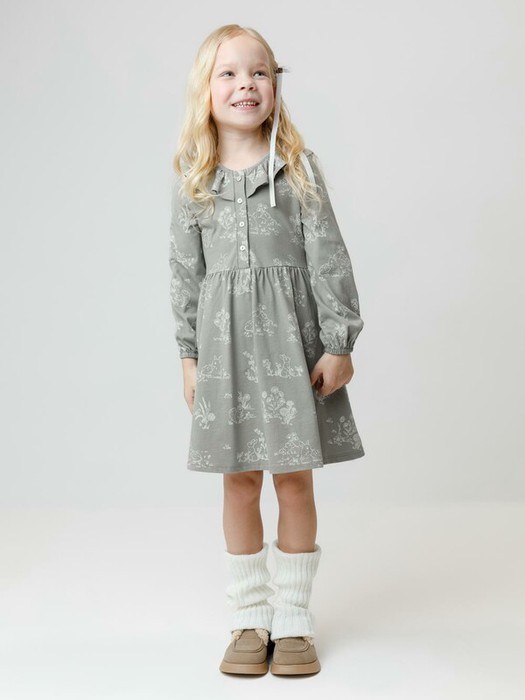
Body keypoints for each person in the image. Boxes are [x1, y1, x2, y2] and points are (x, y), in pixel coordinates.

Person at [169, 24, 365, 676]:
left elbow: (329, 255)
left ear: (275, 86)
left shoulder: (297, 170)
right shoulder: (194, 181)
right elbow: (185, 275)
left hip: (291, 350)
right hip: (225, 354)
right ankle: (249, 618)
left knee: (294, 479)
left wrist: (339, 341)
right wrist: (189, 357)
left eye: (259, 72)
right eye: (227, 74)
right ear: (205, 90)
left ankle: (295, 620)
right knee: (239, 481)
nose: (245, 85)